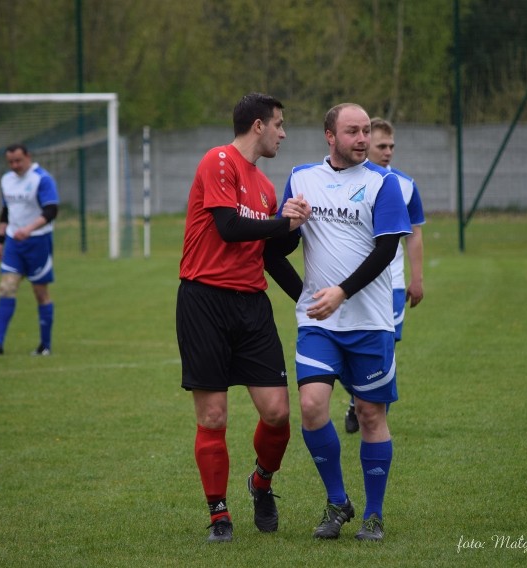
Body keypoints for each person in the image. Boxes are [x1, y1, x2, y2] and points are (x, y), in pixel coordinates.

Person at [269, 103, 411, 542]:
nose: (363, 139)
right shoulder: (302, 178)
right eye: (353, 131)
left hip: (369, 321)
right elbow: (275, 252)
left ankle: (373, 514)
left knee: (370, 415)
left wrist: (341, 293)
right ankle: (336, 501)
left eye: (366, 130)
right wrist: (289, 228)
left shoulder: (383, 184)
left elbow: (386, 250)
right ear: (330, 136)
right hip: (320, 325)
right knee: (311, 406)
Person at [176, 92, 311, 543]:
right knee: (213, 417)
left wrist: (308, 298)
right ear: (258, 125)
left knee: (277, 414)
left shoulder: (267, 187)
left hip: (252, 307)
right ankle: (219, 515)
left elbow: (270, 256)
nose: (283, 133)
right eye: (279, 124)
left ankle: (261, 484)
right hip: (204, 302)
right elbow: (229, 228)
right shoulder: (219, 160)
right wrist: (281, 224)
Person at [344, 117, 425, 434]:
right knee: (351, 346)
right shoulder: (346, 181)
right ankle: (357, 399)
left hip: (389, 283)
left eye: (391, 146)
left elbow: (414, 233)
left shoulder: (405, 184)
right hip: (350, 283)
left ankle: (372, 413)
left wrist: (415, 277)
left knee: (385, 344)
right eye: (382, 146)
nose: (388, 151)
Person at [0, 144, 59, 356]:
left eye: (18, 161)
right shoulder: (7, 180)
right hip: (14, 242)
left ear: (28, 157)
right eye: (11, 162)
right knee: (6, 287)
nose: (15, 165)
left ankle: (45, 345)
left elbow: (51, 210)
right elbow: (6, 211)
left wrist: (29, 229)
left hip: (38, 242)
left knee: (40, 293)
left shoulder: (41, 179)